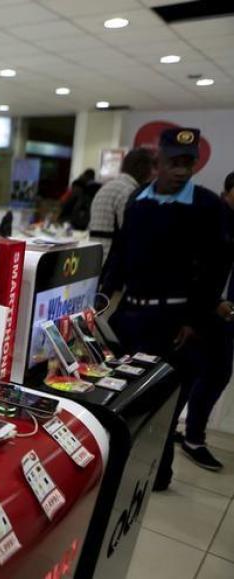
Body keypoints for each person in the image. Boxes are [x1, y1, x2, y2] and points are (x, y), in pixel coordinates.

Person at [101, 128, 229, 491]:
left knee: (164, 406)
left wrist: (195, 319)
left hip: (174, 324)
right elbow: (122, 251)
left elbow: (216, 267)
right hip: (131, 318)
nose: (181, 170)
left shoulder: (206, 205)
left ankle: (158, 473)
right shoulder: (138, 199)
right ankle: (121, 466)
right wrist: (105, 292)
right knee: (123, 395)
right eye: (174, 162)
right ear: (158, 162)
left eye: (188, 163)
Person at [177, 171, 234, 470]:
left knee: (207, 374)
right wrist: (214, 304)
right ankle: (192, 438)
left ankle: (187, 434)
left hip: (215, 313)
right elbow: (197, 269)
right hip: (204, 314)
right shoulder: (214, 218)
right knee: (206, 373)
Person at [89, 148, 156, 260]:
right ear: (143, 169)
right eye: (152, 168)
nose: (154, 174)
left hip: (94, 256)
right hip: (111, 258)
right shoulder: (128, 191)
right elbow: (130, 232)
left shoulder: (107, 186)